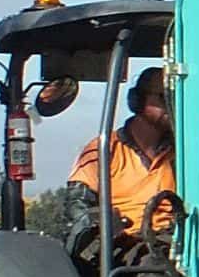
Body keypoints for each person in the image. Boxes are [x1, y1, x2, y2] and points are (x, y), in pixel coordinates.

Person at [69, 66, 176, 241]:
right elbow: (77, 205)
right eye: (164, 98)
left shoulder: (182, 153)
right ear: (138, 101)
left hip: (172, 243)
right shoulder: (103, 150)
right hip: (122, 246)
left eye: (176, 98)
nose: (172, 106)